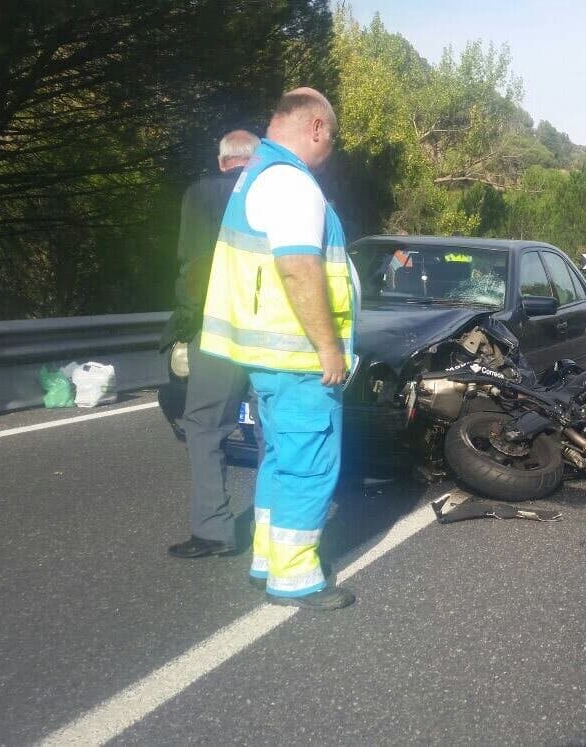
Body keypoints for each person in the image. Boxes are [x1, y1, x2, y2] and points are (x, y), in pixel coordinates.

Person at [201, 88, 357, 610]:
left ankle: (267, 558)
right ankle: (294, 577)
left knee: (280, 458)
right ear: (315, 127)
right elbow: (298, 267)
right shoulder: (292, 183)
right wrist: (328, 349)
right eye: (330, 138)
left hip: (269, 357)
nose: (328, 150)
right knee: (308, 464)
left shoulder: (257, 174)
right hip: (299, 358)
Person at [165, 130, 262, 560]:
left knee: (205, 427)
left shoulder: (201, 194)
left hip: (217, 327)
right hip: (271, 331)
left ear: (223, 161)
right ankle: (272, 527)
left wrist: (186, 322)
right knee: (271, 430)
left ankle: (215, 530)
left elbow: (193, 261)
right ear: (254, 161)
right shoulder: (277, 194)